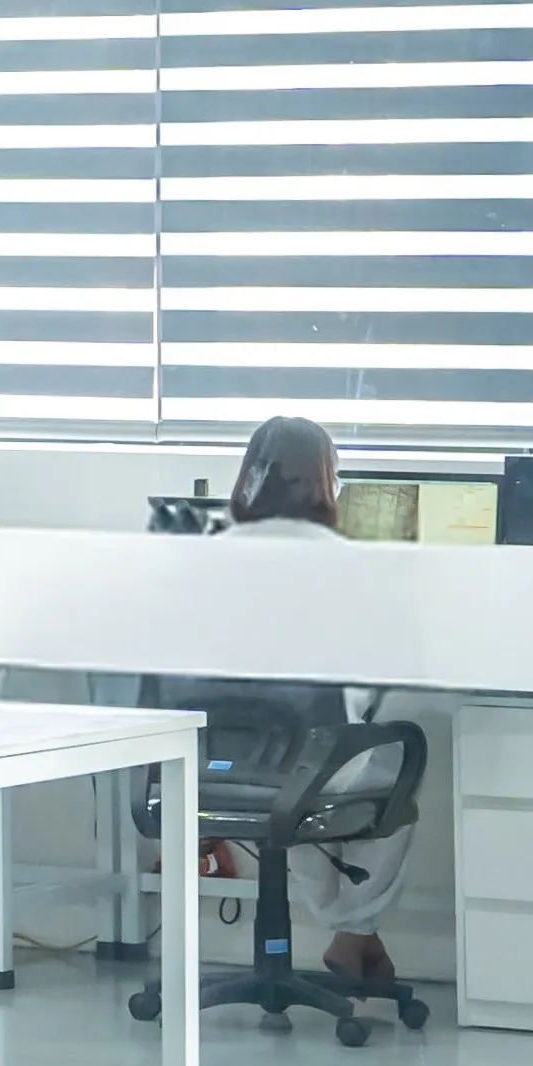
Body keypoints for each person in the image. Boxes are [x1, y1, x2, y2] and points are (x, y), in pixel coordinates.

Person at [218, 414, 414, 991]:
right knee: (393, 766)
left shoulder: (208, 555)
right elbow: (377, 671)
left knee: (294, 786)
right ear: (327, 481)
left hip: (215, 766)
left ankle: (352, 933)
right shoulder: (347, 564)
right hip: (307, 767)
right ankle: (353, 932)